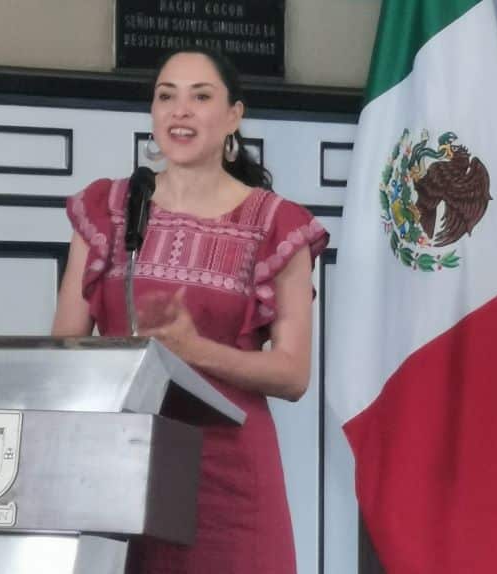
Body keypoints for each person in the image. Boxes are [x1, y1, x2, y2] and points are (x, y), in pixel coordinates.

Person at [52, 47, 329, 574]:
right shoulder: (106, 209)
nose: (180, 110)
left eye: (200, 97)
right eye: (166, 96)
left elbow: (293, 374)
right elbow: (64, 350)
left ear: (233, 116)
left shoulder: (277, 224)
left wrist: (192, 350)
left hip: (228, 475)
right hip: (119, 467)